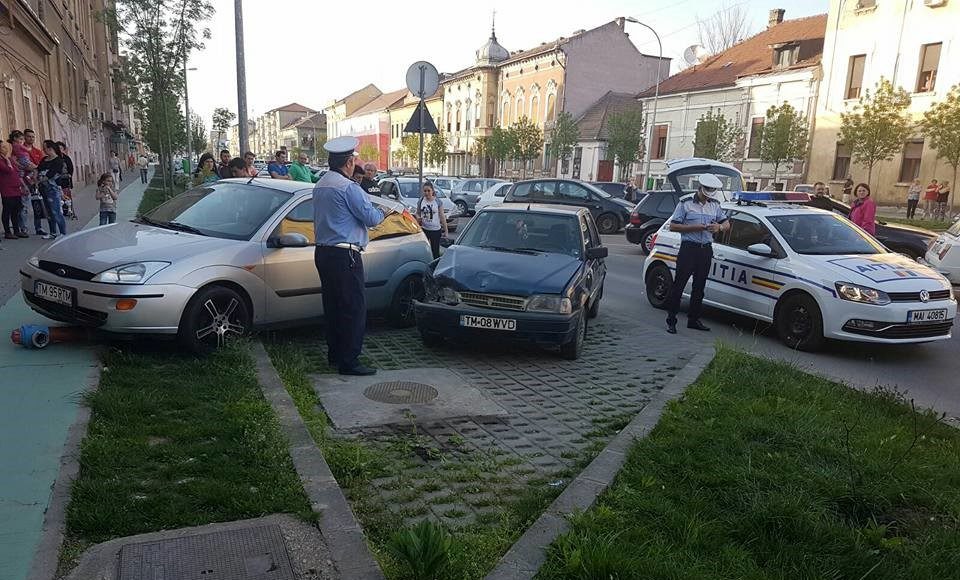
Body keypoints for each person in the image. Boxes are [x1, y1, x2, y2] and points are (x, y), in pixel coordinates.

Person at [312, 136, 388, 376]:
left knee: (332, 305)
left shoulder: (321, 184)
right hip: (346, 255)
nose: (354, 163)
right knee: (353, 307)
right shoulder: (348, 187)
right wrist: (383, 212)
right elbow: (372, 219)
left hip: (323, 251)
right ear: (347, 162)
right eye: (353, 159)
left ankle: (334, 353)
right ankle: (350, 361)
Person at [664, 173, 730, 334]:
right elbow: (673, 226)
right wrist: (697, 227)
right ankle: (671, 320)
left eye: (710, 194)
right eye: (705, 193)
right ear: (700, 188)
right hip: (689, 248)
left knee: (699, 287)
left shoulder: (714, 205)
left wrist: (719, 228)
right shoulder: (685, 203)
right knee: (679, 285)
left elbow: (726, 223)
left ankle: (693, 320)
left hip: (705, 249)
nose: (707, 197)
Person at [37, 140, 67, 239]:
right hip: (43, 188)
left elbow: (52, 174)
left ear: (50, 148)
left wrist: (41, 179)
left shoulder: (58, 160)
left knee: (56, 211)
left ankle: (63, 233)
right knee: (49, 212)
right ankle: (53, 232)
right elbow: (38, 169)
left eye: (44, 147)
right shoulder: (44, 159)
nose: (43, 150)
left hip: (53, 189)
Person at [0, 141, 26, 239]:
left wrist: (22, 186)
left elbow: (17, 170)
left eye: (6, 147)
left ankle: (17, 230)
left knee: (16, 210)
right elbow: (8, 170)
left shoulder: (9, 158)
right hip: (7, 189)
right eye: (3, 147)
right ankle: (7, 232)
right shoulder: (2, 160)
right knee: (7, 210)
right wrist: (8, 161)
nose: (5, 149)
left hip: (16, 188)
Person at [417, 181, 448, 258]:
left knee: (435, 251)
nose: (427, 193)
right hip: (425, 230)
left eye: (428, 191)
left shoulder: (437, 202)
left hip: (435, 230)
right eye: (425, 191)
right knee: (423, 250)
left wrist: (446, 231)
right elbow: (417, 213)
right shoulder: (421, 201)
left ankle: (435, 267)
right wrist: (418, 217)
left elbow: (442, 217)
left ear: (432, 191)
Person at [56, 142, 76, 220]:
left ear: (63, 149)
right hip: (57, 180)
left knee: (67, 195)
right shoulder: (54, 158)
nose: (59, 150)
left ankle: (69, 210)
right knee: (59, 196)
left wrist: (69, 175)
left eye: (61, 148)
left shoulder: (66, 158)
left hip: (65, 180)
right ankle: (60, 211)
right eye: (58, 148)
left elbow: (71, 168)